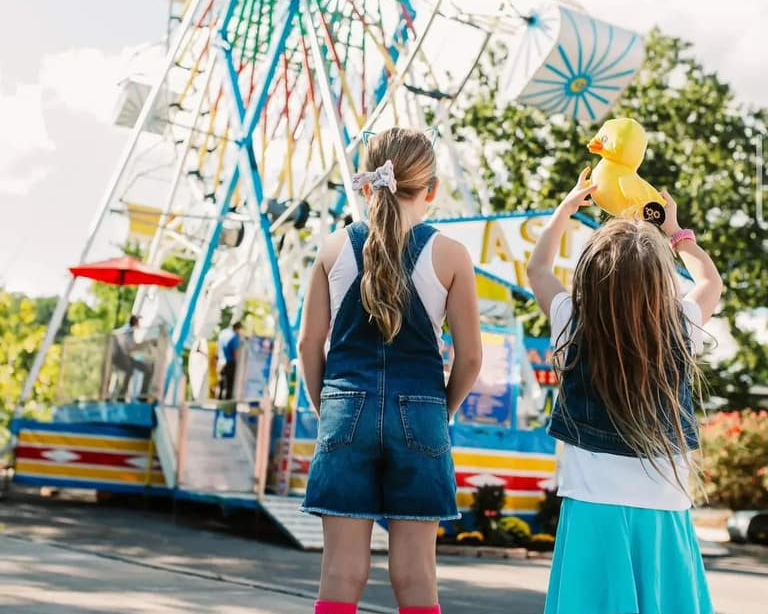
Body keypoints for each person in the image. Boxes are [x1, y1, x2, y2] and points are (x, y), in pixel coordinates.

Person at [298, 128, 482, 614]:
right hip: (421, 412)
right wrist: (441, 411)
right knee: (416, 573)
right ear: (432, 190)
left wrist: (330, 409)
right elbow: (470, 358)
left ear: (365, 187)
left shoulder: (332, 250)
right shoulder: (451, 255)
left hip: (344, 406)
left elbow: (308, 343)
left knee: (340, 570)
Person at [527, 167, 723, 614]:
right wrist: (676, 232)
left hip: (592, 506)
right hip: (663, 507)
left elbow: (538, 269)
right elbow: (711, 283)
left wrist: (566, 210)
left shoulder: (573, 323)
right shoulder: (679, 329)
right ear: (661, 282)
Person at [113, 315, 155, 400]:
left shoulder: (129, 331)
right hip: (121, 358)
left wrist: (145, 343)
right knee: (135, 371)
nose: (139, 324)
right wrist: (146, 343)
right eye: (138, 322)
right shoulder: (128, 331)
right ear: (135, 322)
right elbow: (131, 348)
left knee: (142, 370)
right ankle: (126, 396)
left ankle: (139, 395)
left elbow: (132, 347)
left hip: (125, 358)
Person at [219, 321, 243, 400]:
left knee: (224, 383)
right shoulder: (235, 337)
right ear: (238, 329)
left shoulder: (225, 335)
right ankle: (227, 400)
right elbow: (235, 352)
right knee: (230, 384)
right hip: (231, 363)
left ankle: (222, 398)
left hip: (224, 361)